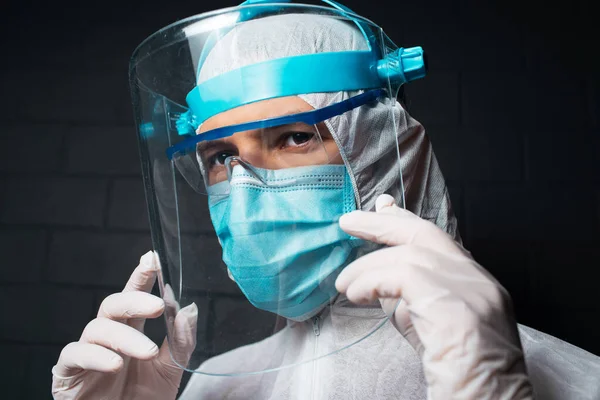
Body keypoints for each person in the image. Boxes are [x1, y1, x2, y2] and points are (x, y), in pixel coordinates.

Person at [52, 1, 600, 399]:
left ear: (382, 153)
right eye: (221, 157)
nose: (243, 192)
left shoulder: (558, 379)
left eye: (294, 137)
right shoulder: (213, 388)